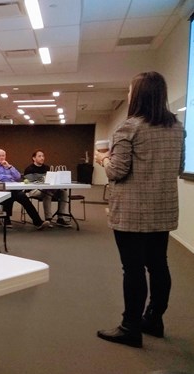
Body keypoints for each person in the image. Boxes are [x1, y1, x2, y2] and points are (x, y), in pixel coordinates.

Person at [94, 71, 185, 348]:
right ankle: (154, 319)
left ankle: (130, 327)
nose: (129, 95)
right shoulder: (178, 128)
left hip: (132, 212)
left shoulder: (129, 127)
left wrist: (103, 160)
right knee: (158, 265)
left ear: (140, 94)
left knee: (132, 269)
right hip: (163, 210)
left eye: (131, 91)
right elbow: (179, 168)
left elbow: (117, 172)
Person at [0, 149, 50, 230]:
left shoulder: (9, 166)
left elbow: (18, 176)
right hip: (0, 192)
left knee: (23, 197)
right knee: (9, 195)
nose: (1, 157)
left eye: (3, 155)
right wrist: (10, 177)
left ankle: (38, 222)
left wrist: (9, 167)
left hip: (14, 190)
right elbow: (1, 178)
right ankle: (6, 220)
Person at [24, 149, 71, 228]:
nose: (42, 158)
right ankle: (48, 219)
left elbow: (50, 180)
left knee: (63, 192)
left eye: (43, 156)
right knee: (47, 193)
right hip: (34, 190)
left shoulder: (47, 168)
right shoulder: (29, 169)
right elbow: (31, 181)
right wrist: (43, 179)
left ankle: (60, 217)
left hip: (48, 189)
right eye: (39, 156)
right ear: (34, 158)